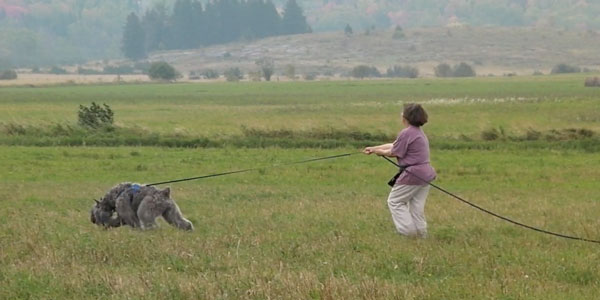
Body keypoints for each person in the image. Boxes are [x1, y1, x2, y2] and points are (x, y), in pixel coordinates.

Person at [363, 103, 436, 238]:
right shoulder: (417, 133)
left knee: (395, 201)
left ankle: (409, 233)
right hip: (426, 174)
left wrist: (379, 152)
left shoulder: (407, 132)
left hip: (413, 174)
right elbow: (394, 145)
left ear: (406, 117)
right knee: (416, 207)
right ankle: (422, 235)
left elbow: (393, 152)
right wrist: (374, 148)